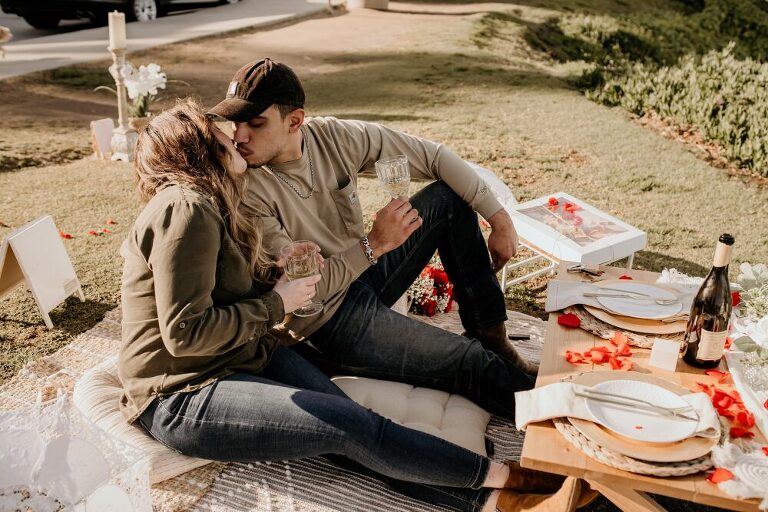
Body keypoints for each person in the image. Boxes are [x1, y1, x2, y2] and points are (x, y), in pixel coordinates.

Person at [118, 100, 592, 512]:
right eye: (222, 131)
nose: (236, 136)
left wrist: (280, 270)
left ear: (293, 119)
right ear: (199, 149)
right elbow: (184, 333)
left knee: (352, 425)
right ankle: (505, 483)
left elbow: (430, 155)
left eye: (249, 125)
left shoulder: (224, 196)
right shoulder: (187, 207)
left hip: (247, 354)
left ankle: (501, 473)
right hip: (182, 392)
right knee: (347, 425)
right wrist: (278, 298)